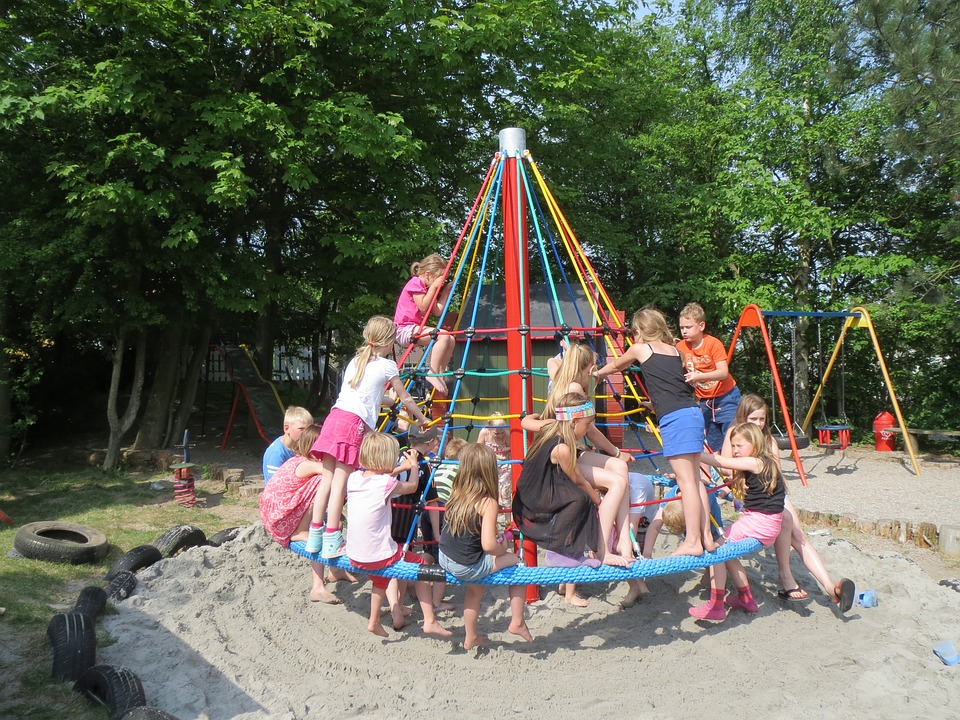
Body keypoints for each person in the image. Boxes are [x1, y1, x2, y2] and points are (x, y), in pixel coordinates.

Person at [305, 315, 431, 559]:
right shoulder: (387, 366)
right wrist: (421, 418)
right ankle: (332, 539)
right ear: (389, 342)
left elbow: (361, 394)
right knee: (341, 482)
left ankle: (315, 534)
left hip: (334, 419)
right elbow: (405, 397)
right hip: (352, 424)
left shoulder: (356, 361)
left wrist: (384, 401)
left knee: (327, 481)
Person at [594, 307, 717, 557]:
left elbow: (617, 364)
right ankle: (706, 537)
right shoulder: (674, 350)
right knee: (694, 480)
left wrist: (597, 373)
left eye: (633, 332)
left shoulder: (642, 348)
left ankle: (693, 540)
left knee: (687, 483)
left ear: (639, 331)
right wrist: (655, 404)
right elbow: (671, 386)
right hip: (692, 413)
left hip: (676, 418)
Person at [720, 393, 856, 613]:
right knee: (783, 521)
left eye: (762, 419)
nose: (758, 424)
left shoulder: (769, 440)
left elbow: (774, 475)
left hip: (771, 493)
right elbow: (725, 465)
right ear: (743, 416)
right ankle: (787, 579)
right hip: (751, 495)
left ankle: (830, 588)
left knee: (796, 532)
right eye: (753, 419)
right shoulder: (733, 435)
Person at [345, 431, 452, 638]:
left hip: (355, 553)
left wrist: (398, 469)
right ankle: (430, 620)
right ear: (386, 460)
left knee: (380, 580)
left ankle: (374, 621)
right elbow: (411, 486)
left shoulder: (354, 478)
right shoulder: (385, 483)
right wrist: (412, 466)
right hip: (380, 553)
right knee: (420, 565)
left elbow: (379, 479)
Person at [512, 391, 631, 570]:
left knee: (621, 468)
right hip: (540, 494)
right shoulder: (561, 448)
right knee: (614, 484)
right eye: (587, 424)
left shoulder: (552, 425)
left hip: (553, 474)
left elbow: (526, 421)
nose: (588, 428)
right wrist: (598, 501)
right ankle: (603, 550)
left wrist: (535, 416)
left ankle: (623, 539)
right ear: (574, 422)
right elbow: (580, 481)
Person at [439, 443, 533, 650]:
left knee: (475, 590)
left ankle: (470, 636)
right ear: (490, 471)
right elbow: (489, 546)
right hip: (466, 566)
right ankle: (518, 621)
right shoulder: (488, 502)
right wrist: (504, 547)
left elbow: (468, 532)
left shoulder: (456, 492)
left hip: (445, 557)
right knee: (520, 564)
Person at [691, 422, 786, 621]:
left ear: (755, 444)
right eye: (733, 446)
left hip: (758, 522)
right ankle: (746, 598)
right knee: (729, 553)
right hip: (770, 524)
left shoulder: (755, 462)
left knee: (716, 550)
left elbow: (721, 462)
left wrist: (690, 453)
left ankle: (715, 605)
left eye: (739, 446)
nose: (734, 450)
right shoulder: (767, 463)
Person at [259, 424, 342, 605]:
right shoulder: (307, 465)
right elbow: (336, 474)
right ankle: (301, 530)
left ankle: (335, 571)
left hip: (273, 512)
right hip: (278, 517)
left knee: (328, 524)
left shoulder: (297, 460)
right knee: (324, 482)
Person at [675, 302, 742, 451]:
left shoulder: (712, 344)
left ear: (701, 326)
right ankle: (718, 473)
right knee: (713, 443)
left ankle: (738, 471)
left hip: (726, 396)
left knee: (733, 438)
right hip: (704, 401)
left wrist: (699, 376)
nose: (684, 331)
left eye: (688, 327)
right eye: (682, 328)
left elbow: (723, 372)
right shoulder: (680, 347)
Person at [393, 253, 455, 394]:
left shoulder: (426, 289)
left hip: (414, 329)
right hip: (404, 329)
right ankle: (432, 373)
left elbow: (437, 311)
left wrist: (444, 292)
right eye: (439, 279)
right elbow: (422, 306)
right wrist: (433, 288)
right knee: (443, 336)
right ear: (428, 275)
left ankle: (440, 372)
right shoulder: (415, 283)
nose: (441, 283)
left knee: (450, 339)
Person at [476, 411, 513, 530]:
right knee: (489, 491)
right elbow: (478, 448)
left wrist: (505, 449)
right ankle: (491, 521)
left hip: (503, 465)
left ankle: (508, 521)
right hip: (489, 465)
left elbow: (513, 447)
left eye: (502, 432)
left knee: (505, 491)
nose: (499, 435)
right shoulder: (484, 432)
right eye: (496, 433)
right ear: (489, 428)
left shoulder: (506, 434)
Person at [262, 406, 314, 483]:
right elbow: (275, 484)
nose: (306, 433)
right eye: (301, 429)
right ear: (286, 428)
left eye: (308, 429)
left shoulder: (299, 446)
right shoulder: (276, 453)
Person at [432, 436, 468, 504]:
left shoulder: (440, 466)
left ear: (446, 456)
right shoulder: (460, 470)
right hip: (443, 502)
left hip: (428, 500)